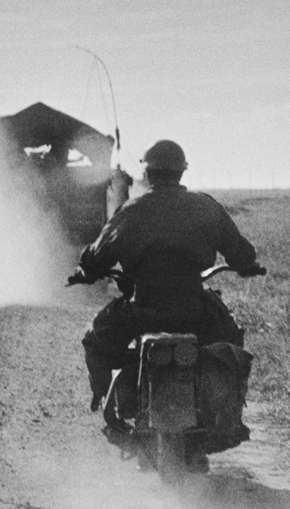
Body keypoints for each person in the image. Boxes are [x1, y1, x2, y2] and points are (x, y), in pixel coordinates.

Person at [70, 140, 261, 414]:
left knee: (95, 341)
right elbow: (242, 253)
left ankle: (102, 400)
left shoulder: (131, 211)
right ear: (182, 171)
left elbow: (97, 256)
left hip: (142, 310)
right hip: (194, 310)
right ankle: (229, 411)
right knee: (232, 341)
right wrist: (248, 265)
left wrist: (86, 270)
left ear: (147, 174)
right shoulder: (206, 206)